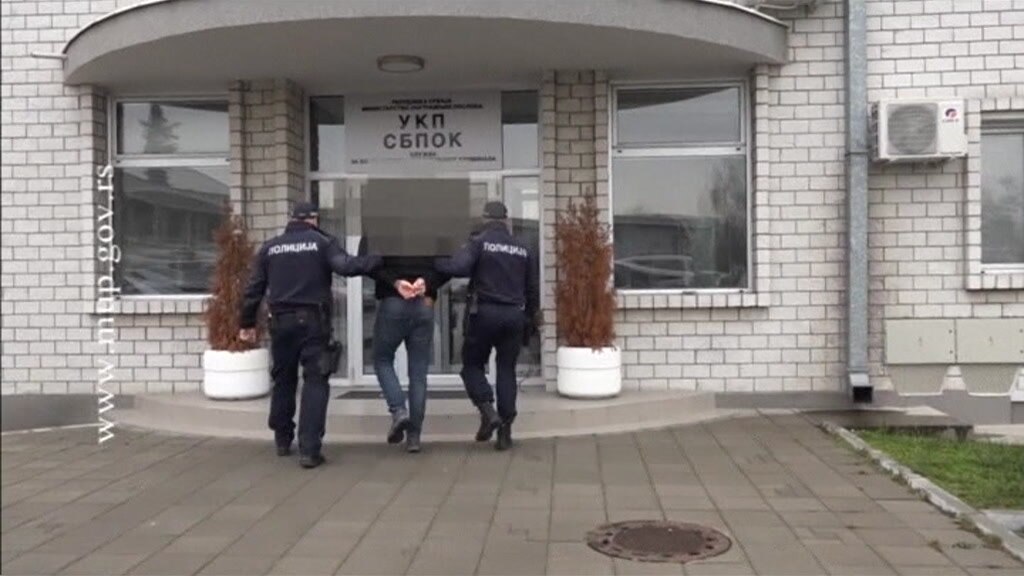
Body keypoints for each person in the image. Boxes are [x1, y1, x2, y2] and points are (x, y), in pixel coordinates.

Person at [239, 201, 380, 469]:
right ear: (314, 219)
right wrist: (376, 259)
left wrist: (246, 322)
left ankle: (282, 439)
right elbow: (347, 267)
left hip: (280, 324)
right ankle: (309, 450)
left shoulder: (270, 247)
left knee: (283, 380)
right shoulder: (321, 243)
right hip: (313, 324)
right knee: (315, 382)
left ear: (291, 218)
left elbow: (253, 288)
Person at [436, 201, 540, 450]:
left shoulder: (479, 242)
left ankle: (487, 410)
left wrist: (434, 261)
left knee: (471, 365)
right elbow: (533, 288)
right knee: (506, 370)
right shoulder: (524, 248)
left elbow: (457, 268)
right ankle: (505, 433)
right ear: (506, 220)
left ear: (484, 219)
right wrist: (530, 318)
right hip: (514, 315)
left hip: (484, 313)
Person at [359, 237, 451, 453]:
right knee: (418, 373)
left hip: (393, 303)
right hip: (423, 305)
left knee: (382, 359)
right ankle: (414, 438)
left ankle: (399, 410)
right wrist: (425, 283)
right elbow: (449, 265)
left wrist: (395, 282)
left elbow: (367, 264)